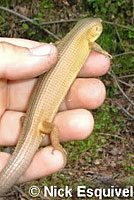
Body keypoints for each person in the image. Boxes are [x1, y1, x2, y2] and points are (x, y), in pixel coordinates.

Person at [0, 38, 110, 183]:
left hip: (30, 121)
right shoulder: (87, 42)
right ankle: (56, 144)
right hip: (36, 123)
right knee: (56, 128)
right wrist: (103, 52)